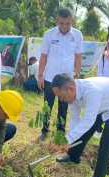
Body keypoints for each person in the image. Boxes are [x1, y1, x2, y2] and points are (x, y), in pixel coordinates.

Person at [51, 73, 109, 177]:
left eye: (61, 96)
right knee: (83, 130)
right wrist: (68, 141)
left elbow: (88, 121)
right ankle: (73, 156)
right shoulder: (72, 97)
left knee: (107, 139)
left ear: (70, 89)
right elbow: (75, 120)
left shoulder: (91, 91)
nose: (61, 100)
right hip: (104, 104)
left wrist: (67, 139)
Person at [37, 8, 83, 141]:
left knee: (63, 107)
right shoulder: (49, 34)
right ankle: (44, 131)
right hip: (50, 78)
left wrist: (76, 75)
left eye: (67, 23)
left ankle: (60, 131)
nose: (64, 26)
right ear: (57, 21)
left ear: (72, 21)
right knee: (47, 106)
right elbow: (44, 56)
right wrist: (40, 76)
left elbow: (78, 57)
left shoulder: (77, 35)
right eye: (61, 23)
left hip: (67, 80)